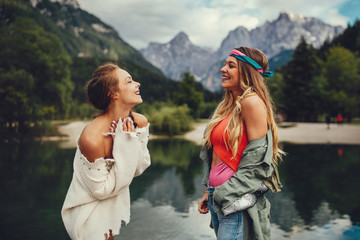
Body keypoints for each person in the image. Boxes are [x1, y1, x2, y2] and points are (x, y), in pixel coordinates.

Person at [198, 47, 284, 240]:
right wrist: (209, 191)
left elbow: (257, 161)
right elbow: (216, 156)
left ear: (247, 71)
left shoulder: (251, 102)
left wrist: (225, 193)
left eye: (231, 65)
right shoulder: (228, 106)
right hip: (218, 196)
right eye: (224, 64)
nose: (222, 69)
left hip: (235, 199)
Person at [61, 63, 151, 240]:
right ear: (113, 93)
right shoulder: (92, 138)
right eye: (129, 81)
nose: (137, 84)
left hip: (112, 206)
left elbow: (140, 167)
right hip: (88, 211)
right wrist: (125, 146)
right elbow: (100, 191)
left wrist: (127, 141)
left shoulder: (139, 122)